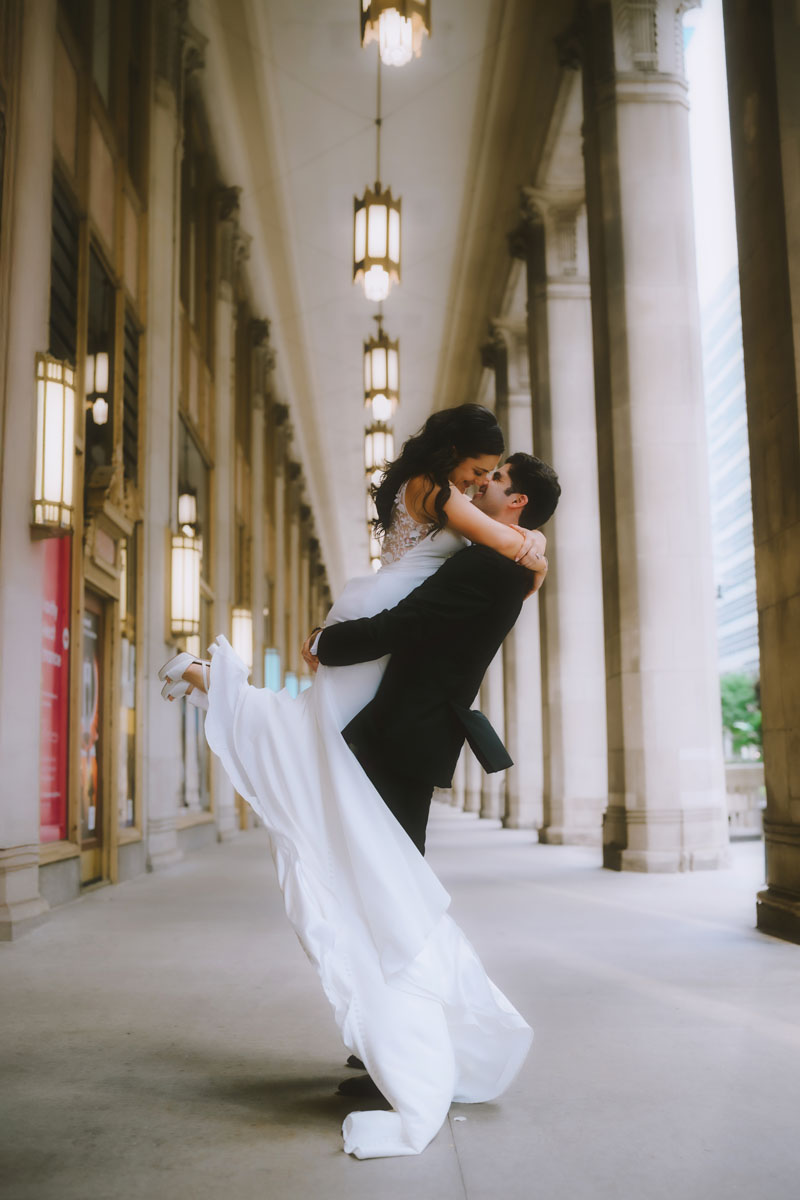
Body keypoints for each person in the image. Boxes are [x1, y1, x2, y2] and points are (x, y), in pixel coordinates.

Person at [157, 405, 548, 1160]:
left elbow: (495, 560)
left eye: (489, 477)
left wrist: (524, 548)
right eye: (477, 471)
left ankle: (213, 682)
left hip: (375, 619)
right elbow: (508, 549)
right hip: (376, 627)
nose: (479, 483)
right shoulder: (441, 496)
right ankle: (216, 683)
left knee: (321, 762)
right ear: (454, 460)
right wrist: (531, 547)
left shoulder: (434, 491)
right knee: (331, 778)